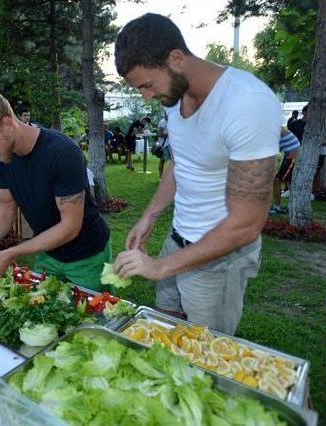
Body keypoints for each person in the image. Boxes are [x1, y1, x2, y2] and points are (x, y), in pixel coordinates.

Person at [111, 13, 279, 335]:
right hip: (178, 238)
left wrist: (159, 267)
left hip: (220, 258)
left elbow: (246, 225)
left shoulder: (247, 103)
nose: (146, 96)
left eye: (147, 85)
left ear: (176, 58)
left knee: (203, 353)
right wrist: (150, 216)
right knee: (162, 324)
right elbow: (181, 162)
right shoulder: (173, 97)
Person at [0, 88, 111, 291]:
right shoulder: (2, 156)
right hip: (47, 252)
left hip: (86, 256)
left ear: (7, 123)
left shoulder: (63, 153)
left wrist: (10, 253)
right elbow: (6, 208)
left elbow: (70, 226)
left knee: (94, 316)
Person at [269, 129, 301, 215]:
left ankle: (277, 207)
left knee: (277, 180)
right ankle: (291, 206)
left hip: (294, 157)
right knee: (289, 182)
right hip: (290, 157)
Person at [156, 114, 170, 179]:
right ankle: (160, 177)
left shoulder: (170, 121)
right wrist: (165, 134)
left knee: (171, 161)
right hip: (164, 145)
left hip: (170, 144)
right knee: (163, 160)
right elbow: (159, 134)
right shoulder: (163, 122)